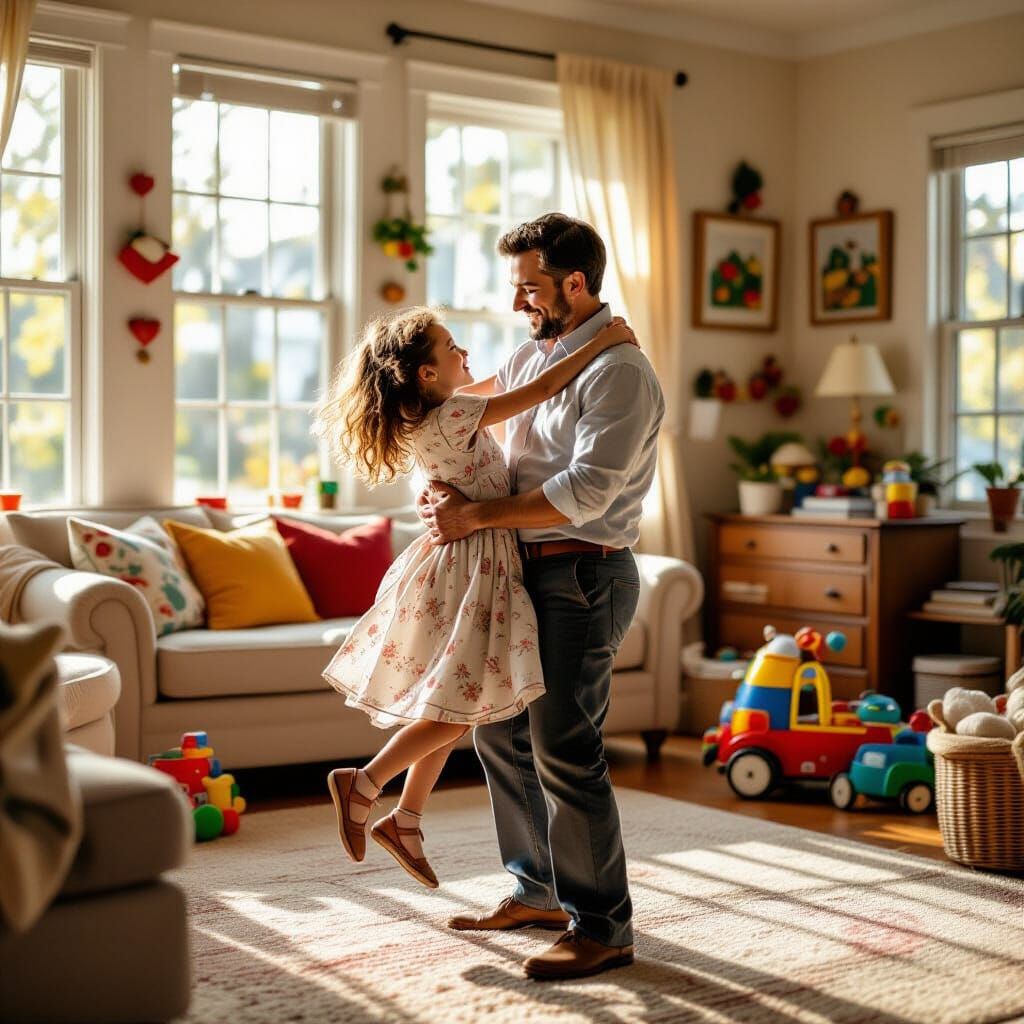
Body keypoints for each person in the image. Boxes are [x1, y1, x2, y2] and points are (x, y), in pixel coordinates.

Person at [311, 304, 636, 890]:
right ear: (426, 375)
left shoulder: (430, 415)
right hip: (475, 569)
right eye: (450, 347)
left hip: (461, 567)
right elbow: (538, 389)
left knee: (455, 703)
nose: (464, 353)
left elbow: (510, 383)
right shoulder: (456, 414)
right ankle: (363, 784)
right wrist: (604, 341)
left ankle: (406, 820)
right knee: (458, 708)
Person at [420, 213, 665, 981]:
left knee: (564, 744)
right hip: (521, 573)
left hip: (583, 575)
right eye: (517, 285)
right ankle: (537, 890)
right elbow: (475, 406)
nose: (518, 299)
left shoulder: (622, 372)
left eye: (530, 285)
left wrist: (476, 515)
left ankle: (604, 928)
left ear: (575, 283)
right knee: (499, 733)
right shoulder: (540, 352)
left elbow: (587, 492)